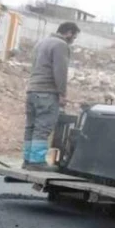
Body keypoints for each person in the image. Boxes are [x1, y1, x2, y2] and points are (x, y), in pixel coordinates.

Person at [24, 22, 79, 170]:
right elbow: (60, 71)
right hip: (47, 93)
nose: (73, 40)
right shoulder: (61, 45)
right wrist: (62, 94)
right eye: (74, 37)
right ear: (68, 32)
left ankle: (27, 161)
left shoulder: (41, 43)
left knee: (31, 127)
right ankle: (37, 162)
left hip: (32, 91)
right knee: (43, 128)